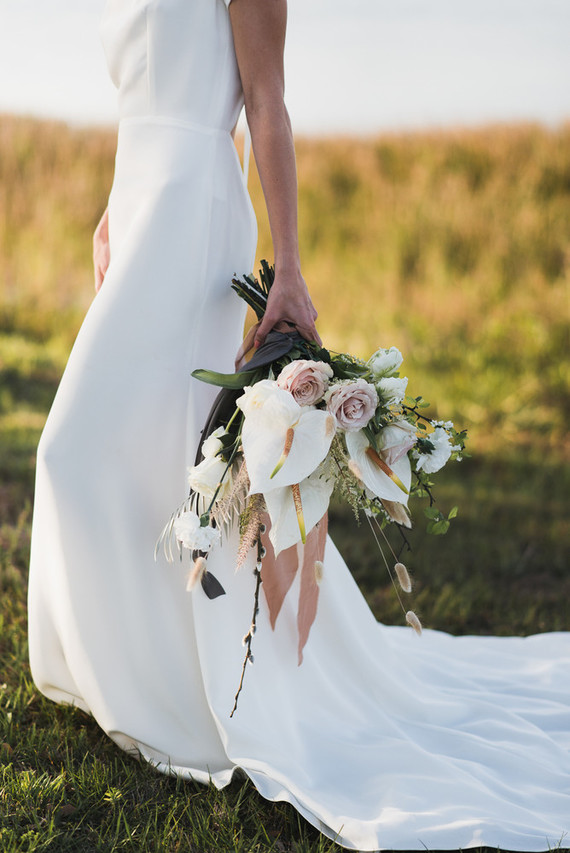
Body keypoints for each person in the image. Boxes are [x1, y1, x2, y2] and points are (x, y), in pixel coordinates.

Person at [28, 1, 570, 850]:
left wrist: (290, 269)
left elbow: (265, 104)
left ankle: (183, 695)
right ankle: (136, 672)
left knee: (69, 452)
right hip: (141, 208)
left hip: (191, 216)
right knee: (136, 452)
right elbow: (147, 96)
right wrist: (110, 204)